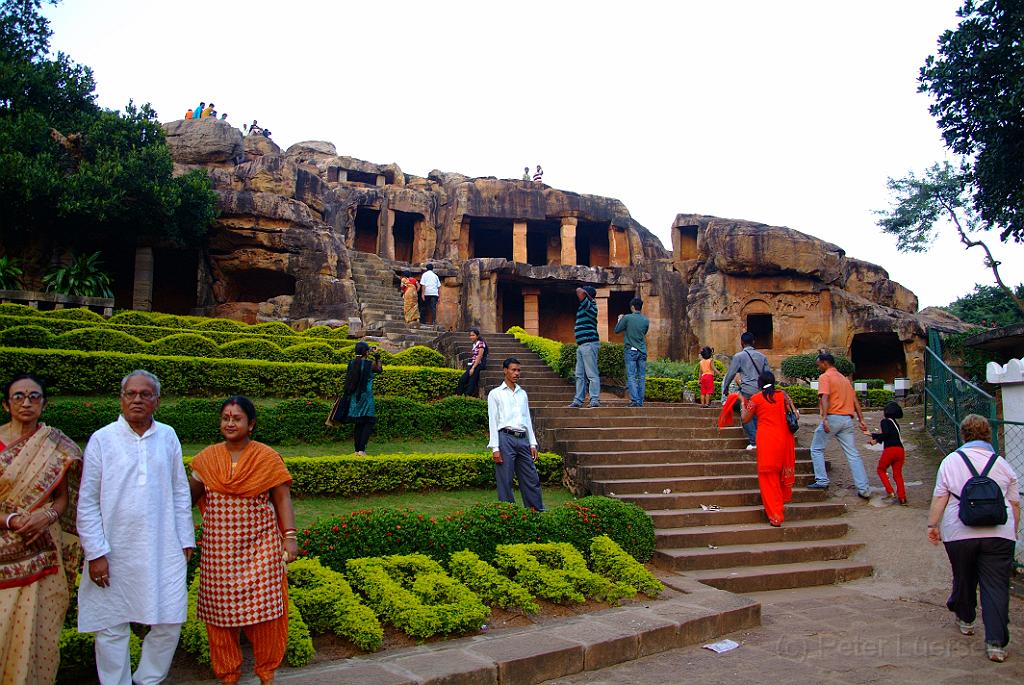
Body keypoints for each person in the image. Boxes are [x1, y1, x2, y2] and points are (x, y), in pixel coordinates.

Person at [77, 370, 195, 685]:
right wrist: (96, 551)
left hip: (163, 545)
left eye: (146, 394)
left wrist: (185, 540)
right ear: (121, 398)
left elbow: (180, 490)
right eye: (132, 393)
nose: (138, 399)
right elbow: (87, 501)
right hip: (113, 548)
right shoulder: (103, 439)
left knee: (170, 619)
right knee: (111, 625)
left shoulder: (168, 435)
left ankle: (148, 680)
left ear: (157, 401)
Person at [189, 396, 297, 685]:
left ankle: (266, 673)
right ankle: (228, 675)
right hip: (218, 553)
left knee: (267, 615)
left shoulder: (267, 458)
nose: (230, 422)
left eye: (237, 418)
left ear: (251, 424)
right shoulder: (206, 459)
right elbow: (186, 499)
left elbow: (282, 498)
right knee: (218, 617)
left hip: (260, 549)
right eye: (225, 417)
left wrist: (290, 538)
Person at [0, 374, 83, 685]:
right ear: (7, 403)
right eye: (19, 396)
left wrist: (47, 515)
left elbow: (62, 497)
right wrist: (12, 521)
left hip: (44, 553)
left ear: (44, 404)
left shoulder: (57, 447)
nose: (26, 402)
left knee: (38, 635)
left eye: (34, 396)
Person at [927, 414, 1020, 663]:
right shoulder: (1002, 464)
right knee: (996, 586)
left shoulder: (950, 462)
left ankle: (966, 619)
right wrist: (1014, 530)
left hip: (959, 532)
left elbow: (940, 497)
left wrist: (932, 524)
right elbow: (1013, 503)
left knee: (964, 575)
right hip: (1000, 533)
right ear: (988, 434)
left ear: (963, 434)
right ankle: (996, 643)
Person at [807, 352, 872, 498]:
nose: (818, 367)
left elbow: (825, 396)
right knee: (853, 454)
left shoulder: (825, 377)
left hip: (833, 418)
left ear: (825, 363)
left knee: (816, 448)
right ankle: (864, 489)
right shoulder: (844, 379)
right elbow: (855, 401)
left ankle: (822, 480)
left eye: (819, 365)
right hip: (847, 420)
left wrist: (824, 418)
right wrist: (861, 419)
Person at [741, 371, 798, 527]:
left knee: (768, 479)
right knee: (779, 476)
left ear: (759, 383)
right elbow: (796, 415)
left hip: (767, 440)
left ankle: (776, 515)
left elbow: (745, 418)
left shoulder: (756, 398)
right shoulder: (783, 395)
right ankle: (778, 509)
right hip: (784, 439)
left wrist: (742, 404)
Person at [487, 357, 544, 511]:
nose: (516, 373)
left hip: (523, 439)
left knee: (531, 477)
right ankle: (508, 514)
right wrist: (495, 448)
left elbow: (527, 420)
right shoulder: (495, 394)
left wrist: (532, 443)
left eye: (518, 370)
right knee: (505, 479)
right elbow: (493, 421)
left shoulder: (522, 394)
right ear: (505, 371)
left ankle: (536, 512)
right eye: (513, 370)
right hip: (505, 438)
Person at [720, 332, 770, 449]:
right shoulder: (762, 357)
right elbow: (768, 375)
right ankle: (762, 439)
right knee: (758, 414)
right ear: (753, 342)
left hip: (747, 390)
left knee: (746, 414)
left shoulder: (739, 356)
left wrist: (726, 388)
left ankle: (754, 441)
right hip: (761, 390)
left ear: (742, 343)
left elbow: (731, 373)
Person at [866, 400, 907, 504]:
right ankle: (902, 497)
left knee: (881, 469)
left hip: (890, 450)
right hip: (900, 450)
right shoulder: (896, 424)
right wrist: (872, 435)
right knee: (898, 474)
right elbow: (888, 434)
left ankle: (890, 491)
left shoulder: (885, 421)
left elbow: (886, 434)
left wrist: (875, 440)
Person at [346, 342, 383, 456]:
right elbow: (379, 369)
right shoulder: (369, 364)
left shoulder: (351, 363)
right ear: (366, 352)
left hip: (354, 397)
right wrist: (377, 356)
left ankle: (357, 450)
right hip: (366, 397)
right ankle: (362, 450)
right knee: (368, 421)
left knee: (359, 422)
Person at [568, 286, 600, 408]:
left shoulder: (589, 304)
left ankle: (594, 399)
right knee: (579, 375)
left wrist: (586, 294)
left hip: (589, 344)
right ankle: (578, 400)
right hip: (582, 345)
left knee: (591, 374)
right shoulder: (586, 305)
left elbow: (578, 290)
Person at [614, 296, 649, 407]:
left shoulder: (627, 318)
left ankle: (634, 400)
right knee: (642, 377)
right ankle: (640, 402)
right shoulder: (645, 320)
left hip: (631, 351)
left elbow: (617, 330)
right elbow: (644, 333)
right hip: (642, 351)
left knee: (631, 376)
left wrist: (620, 319)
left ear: (632, 307)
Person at [455, 328, 488, 397]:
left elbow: (479, 356)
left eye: (473, 335)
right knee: (462, 379)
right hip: (474, 363)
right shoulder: (474, 344)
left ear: (477, 336)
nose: (471, 337)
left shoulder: (481, 343)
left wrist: (473, 367)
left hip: (480, 364)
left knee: (472, 380)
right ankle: (458, 394)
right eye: (470, 335)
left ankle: (467, 396)